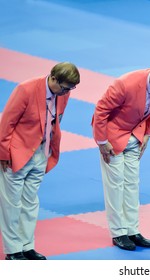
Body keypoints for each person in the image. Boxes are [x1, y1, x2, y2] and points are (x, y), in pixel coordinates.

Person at [92, 62, 150, 250]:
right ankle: (119, 232)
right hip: (113, 138)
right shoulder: (125, 84)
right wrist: (101, 141)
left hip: (136, 136)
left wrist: (148, 134)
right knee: (115, 185)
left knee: (132, 184)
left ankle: (132, 229)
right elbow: (101, 111)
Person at [0, 62, 80, 260]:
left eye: (70, 89)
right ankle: (13, 250)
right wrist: (3, 154)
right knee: (11, 204)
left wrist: (49, 151)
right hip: (16, 153)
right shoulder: (26, 90)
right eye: (64, 88)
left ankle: (27, 245)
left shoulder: (64, 93)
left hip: (41, 153)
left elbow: (55, 120)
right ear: (53, 78)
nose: (66, 93)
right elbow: (6, 123)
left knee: (30, 202)